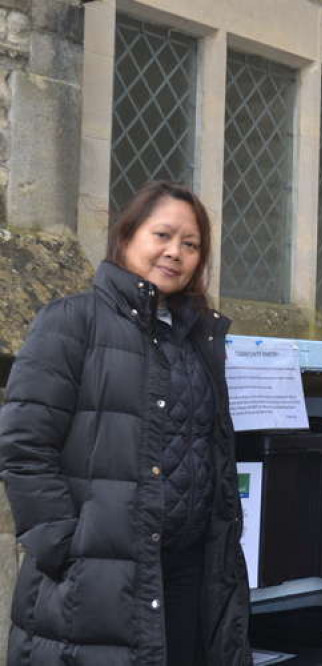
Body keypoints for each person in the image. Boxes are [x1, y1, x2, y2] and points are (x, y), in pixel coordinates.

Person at [0, 181, 252, 665]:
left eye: (191, 244)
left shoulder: (199, 340)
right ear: (127, 236)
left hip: (187, 577)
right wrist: (65, 549)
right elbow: (23, 446)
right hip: (97, 579)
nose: (175, 252)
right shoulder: (71, 322)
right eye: (162, 235)